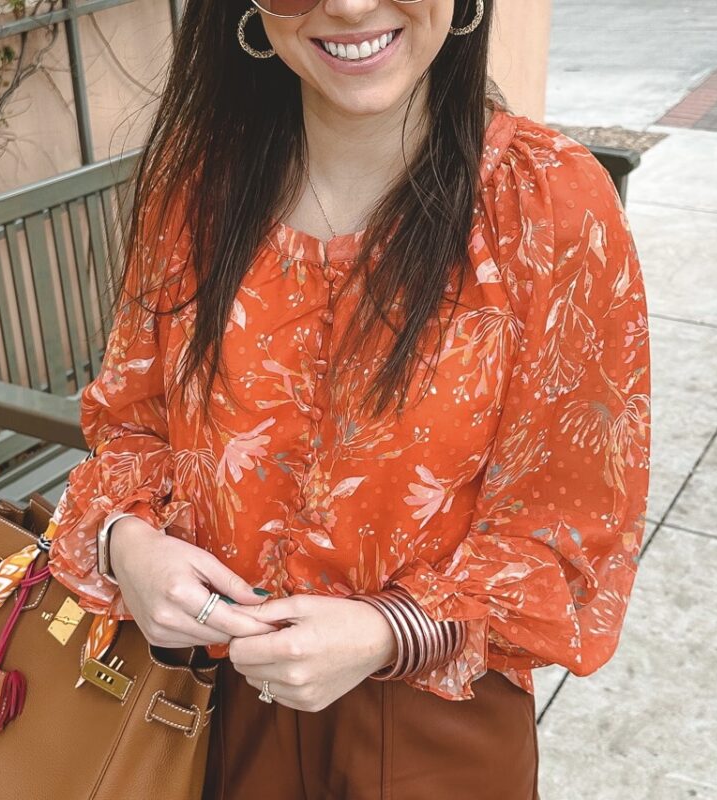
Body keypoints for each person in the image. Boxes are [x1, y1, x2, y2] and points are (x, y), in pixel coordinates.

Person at [46, 1, 652, 797]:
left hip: (429, 729)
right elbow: (132, 427)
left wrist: (382, 631)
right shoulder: (196, 190)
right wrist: (129, 545)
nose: (351, 5)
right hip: (201, 710)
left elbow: (573, 535)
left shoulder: (545, 206)